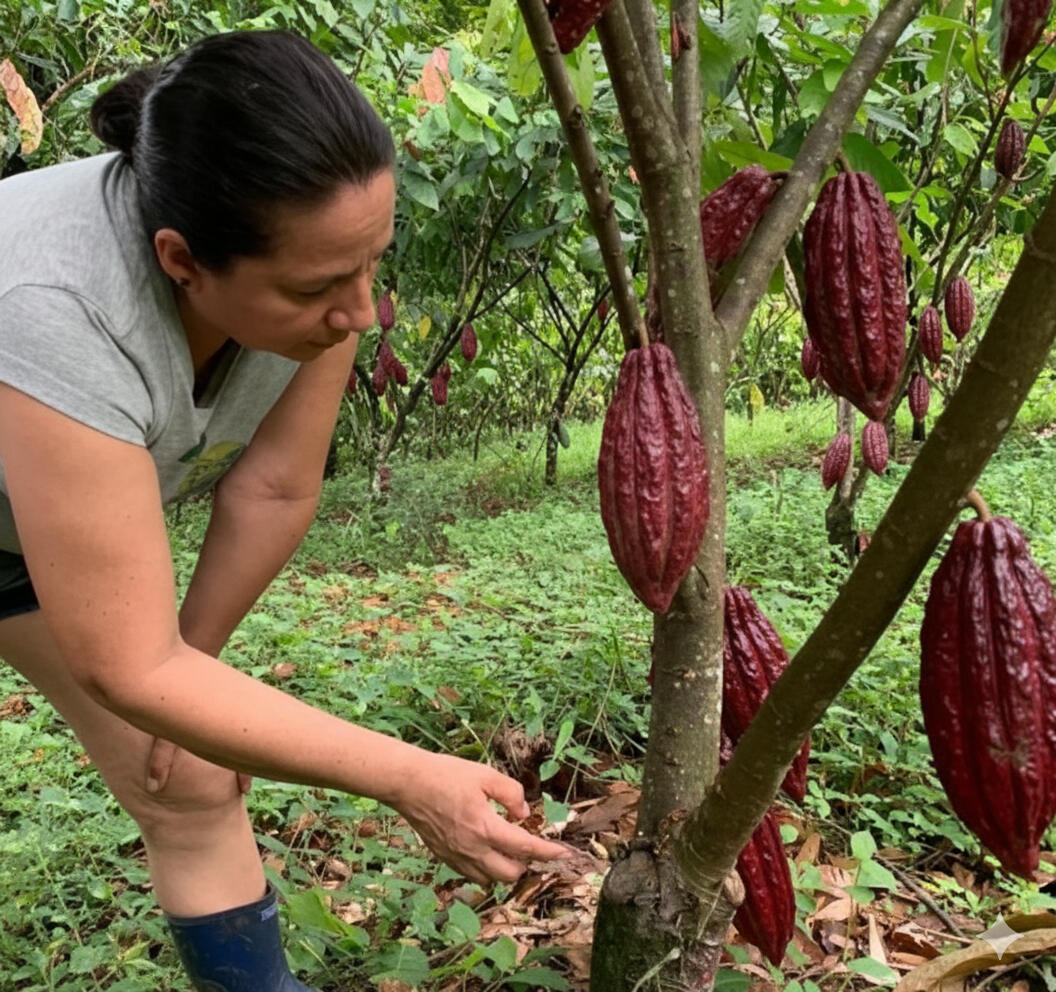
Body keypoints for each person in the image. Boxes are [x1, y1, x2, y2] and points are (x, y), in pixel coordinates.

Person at [0, 29, 569, 992]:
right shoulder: (52, 299)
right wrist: (404, 776)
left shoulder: (326, 281)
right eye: (317, 287)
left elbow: (273, 486)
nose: (359, 311)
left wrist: (189, 684)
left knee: (186, 775)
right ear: (182, 261)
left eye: (370, 266)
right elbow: (128, 664)